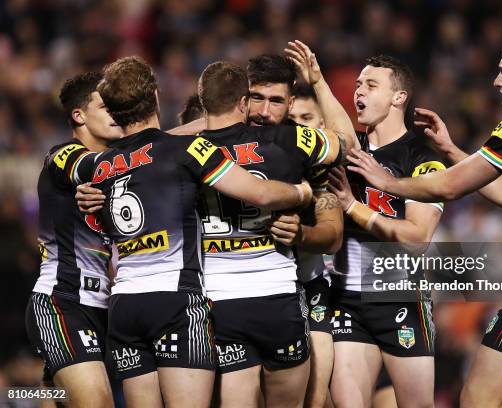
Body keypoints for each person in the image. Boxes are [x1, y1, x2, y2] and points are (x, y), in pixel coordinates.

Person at [347, 34, 502, 407]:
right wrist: (452, 150)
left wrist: (385, 181)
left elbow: (451, 187)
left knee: (477, 399)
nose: (497, 82)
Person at [53, 56, 312, 408]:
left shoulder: (97, 165)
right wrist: (302, 193)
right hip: (176, 301)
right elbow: (261, 193)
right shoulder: (186, 150)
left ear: (113, 112)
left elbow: (70, 165)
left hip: (124, 305)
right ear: (157, 98)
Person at [200, 49, 353, 408]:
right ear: (241, 96)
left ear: (290, 103)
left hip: (298, 288)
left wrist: (301, 234)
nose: (265, 112)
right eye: (257, 98)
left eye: (276, 101)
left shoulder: (304, 148)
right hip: (224, 296)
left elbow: (332, 236)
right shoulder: (202, 138)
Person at [327, 55, 445, 408]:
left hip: (400, 298)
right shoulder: (347, 151)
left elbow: (417, 238)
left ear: (399, 97)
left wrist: (353, 207)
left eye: (371, 85)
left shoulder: (423, 159)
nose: (359, 92)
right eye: (359, 84)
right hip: (346, 297)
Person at [25, 72, 122, 408]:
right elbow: (94, 167)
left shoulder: (123, 168)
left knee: (55, 400)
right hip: (62, 303)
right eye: (106, 107)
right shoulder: (62, 155)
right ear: (79, 115)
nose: (117, 114)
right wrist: (162, 148)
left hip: (103, 311)